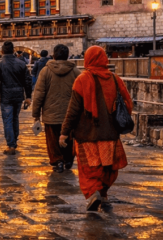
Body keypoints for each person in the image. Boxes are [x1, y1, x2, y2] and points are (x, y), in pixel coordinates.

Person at [61, 46, 133, 211]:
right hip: (110, 134)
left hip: (88, 135)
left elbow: (73, 111)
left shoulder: (82, 80)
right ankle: (104, 195)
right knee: (108, 167)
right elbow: (128, 104)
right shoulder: (115, 79)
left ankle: (94, 193)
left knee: (89, 168)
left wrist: (64, 132)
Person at [32, 44, 79, 173]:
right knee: (69, 137)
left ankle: (58, 161)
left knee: (53, 140)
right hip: (70, 113)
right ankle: (68, 159)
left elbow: (39, 93)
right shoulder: (75, 71)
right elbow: (82, 93)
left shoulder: (46, 71)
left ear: (53, 55)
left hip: (50, 114)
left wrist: (36, 114)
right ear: (67, 55)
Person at [0, 41, 32, 155]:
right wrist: (28, 96)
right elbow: (27, 81)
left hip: (6, 95)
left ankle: (11, 144)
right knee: (15, 118)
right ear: (13, 50)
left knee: (7, 120)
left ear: (2, 51)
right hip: (18, 95)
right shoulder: (21, 63)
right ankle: (14, 140)